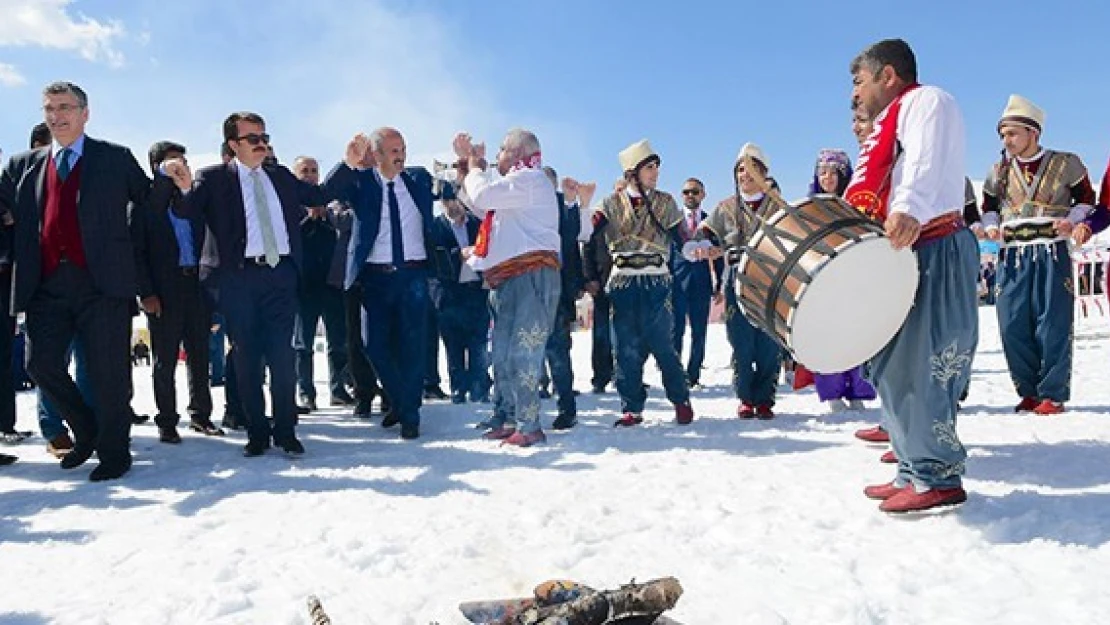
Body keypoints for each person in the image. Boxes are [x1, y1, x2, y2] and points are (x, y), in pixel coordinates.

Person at [0, 81, 178, 481]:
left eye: (64, 107)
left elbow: (149, 204)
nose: (56, 115)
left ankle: (114, 454)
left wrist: (167, 177)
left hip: (103, 284)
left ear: (85, 113)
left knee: (108, 372)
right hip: (45, 284)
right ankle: (86, 430)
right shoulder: (22, 164)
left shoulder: (114, 158)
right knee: (40, 364)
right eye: (49, 108)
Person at [167, 111, 354, 456]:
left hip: (280, 276)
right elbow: (184, 212)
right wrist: (181, 187)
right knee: (247, 358)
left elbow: (318, 195)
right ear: (233, 144)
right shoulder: (213, 179)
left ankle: (285, 429)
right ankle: (256, 432)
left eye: (264, 137)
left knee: (283, 356)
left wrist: (347, 162)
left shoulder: (280, 176)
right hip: (238, 280)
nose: (262, 144)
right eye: (252, 139)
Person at [847, 38, 978, 513]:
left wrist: (907, 209)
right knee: (893, 363)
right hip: (904, 249)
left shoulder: (927, 101)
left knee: (925, 362)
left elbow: (923, 160)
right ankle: (911, 466)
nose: (856, 94)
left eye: (860, 82)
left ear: (888, 75)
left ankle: (936, 476)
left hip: (932, 241)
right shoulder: (889, 121)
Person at [981, 95, 1097, 415]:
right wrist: (991, 227)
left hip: (1051, 249)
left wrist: (1073, 221)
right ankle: (1028, 390)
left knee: (1053, 321)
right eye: (1003, 135)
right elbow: (988, 206)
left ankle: (1052, 393)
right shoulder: (998, 171)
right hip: (1013, 253)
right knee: (1012, 322)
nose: (1007, 140)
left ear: (1033, 133)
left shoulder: (1065, 162)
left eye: (1013, 133)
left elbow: (1087, 199)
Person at [323, 128, 436, 441]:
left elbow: (449, 192)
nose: (399, 155)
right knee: (373, 345)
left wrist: (470, 162)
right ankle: (400, 401)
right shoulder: (362, 184)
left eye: (402, 148)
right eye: (392, 150)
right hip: (375, 277)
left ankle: (410, 415)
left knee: (413, 347)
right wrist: (348, 163)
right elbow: (325, 193)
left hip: (412, 275)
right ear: (376, 155)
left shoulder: (419, 180)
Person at [453, 128, 561, 446]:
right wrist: (467, 176)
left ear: (516, 152)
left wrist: (475, 168)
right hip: (507, 279)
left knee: (522, 353)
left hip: (533, 275)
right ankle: (508, 416)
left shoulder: (531, 179)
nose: (496, 155)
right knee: (501, 355)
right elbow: (482, 205)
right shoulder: (514, 188)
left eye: (501, 149)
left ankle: (529, 425)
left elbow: (484, 196)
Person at [593, 140, 695, 426]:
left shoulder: (666, 203)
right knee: (625, 347)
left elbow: (682, 238)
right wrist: (580, 204)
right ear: (632, 172)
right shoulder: (610, 203)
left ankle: (680, 399)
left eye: (657, 167)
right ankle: (631, 406)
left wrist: (694, 249)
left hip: (656, 282)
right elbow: (589, 229)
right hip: (624, 283)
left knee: (663, 344)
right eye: (649, 167)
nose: (655, 173)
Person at [132, 140, 221, 444]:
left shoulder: (195, 199)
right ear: (156, 168)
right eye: (172, 163)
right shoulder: (143, 204)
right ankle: (167, 421)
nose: (179, 167)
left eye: (182, 161)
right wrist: (147, 293)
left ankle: (201, 416)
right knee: (164, 360)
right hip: (163, 291)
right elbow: (138, 253)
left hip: (196, 286)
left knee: (200, 356)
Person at [694, 144, 783, 419]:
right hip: (736, 277)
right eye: (740, 169)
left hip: (770, 278)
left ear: (764, 173)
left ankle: (766, 398)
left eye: (751, 168)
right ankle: (745, 397)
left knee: (769, 340)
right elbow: (703, 233)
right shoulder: (725, 207)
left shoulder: (777, 206)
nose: (745, 175)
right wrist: (704, 246)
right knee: (741, 340)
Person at [806, 149, 877, 413]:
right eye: (822, 172)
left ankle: (858, 390)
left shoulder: (855, 203)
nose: (827, 178)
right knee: (828, 336)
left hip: (853, 278)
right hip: (822, 280)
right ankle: (832, 391)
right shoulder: (810, 207)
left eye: (833, 173)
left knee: (857, 334)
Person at [291, 156, 355, 412]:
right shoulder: (290, 208)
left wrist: (324, 216)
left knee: (337, 341)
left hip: (331, 285)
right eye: (304, 171)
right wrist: (308, 217)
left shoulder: (332, 211)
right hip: (303, 287)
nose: (310, 175)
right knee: (302, 343)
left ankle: (338, 389)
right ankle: (306, 391)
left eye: (314, 171)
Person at [427, 182, 491, 405]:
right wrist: (458, 254)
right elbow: (434, 259)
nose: (453, 205)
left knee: (478, 342)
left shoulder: (478, 224)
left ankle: (479, 387)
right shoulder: (435, 227)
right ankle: (458, 388)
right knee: (453, 345)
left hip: (476, 291)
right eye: (448, 201)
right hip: (449, 293)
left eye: (456, 200)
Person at [670, 177, 722, 389]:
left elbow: (718, 256)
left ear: (703, 195)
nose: (690, 196)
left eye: (695, 192)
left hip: (701, 284)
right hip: (677, 284)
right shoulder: (673, 222)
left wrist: (718, 285)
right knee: (676, 331)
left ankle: (693, 376)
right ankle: (674, 374)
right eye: (686, 192)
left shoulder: (711, 223)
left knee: (699, 332)